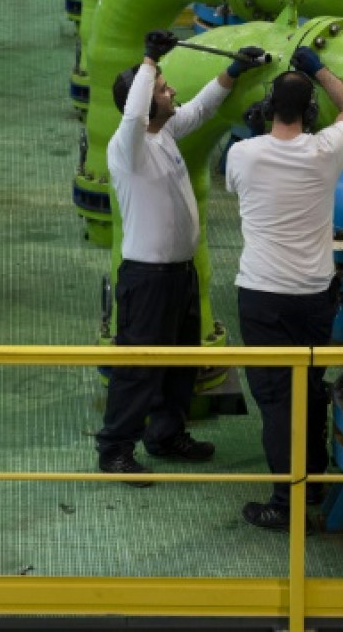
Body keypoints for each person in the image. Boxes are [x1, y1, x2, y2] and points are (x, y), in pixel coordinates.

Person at [97, 29, 266, 484]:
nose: (172, 91)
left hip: (178, 275)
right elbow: (134, 114)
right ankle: (114, 449)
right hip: (147, 279)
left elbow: (203, 107)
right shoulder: (126, 146)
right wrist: (149, 59)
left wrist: (233, 71)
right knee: (137, 369)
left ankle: (166, 435)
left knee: (179, 362)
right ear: (145, 100)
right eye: (162, 88)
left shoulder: (165, 132)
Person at [225, 45, 343, 530]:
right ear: (310, 113)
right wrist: (319, 68)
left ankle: (286, 505)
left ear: (266, 112)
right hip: (314, 294)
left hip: (263, 295)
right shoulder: (327, 151)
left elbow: (236, 180)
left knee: (277, 402)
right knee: (308, 388)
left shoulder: (242, 154)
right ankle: (317, 481)